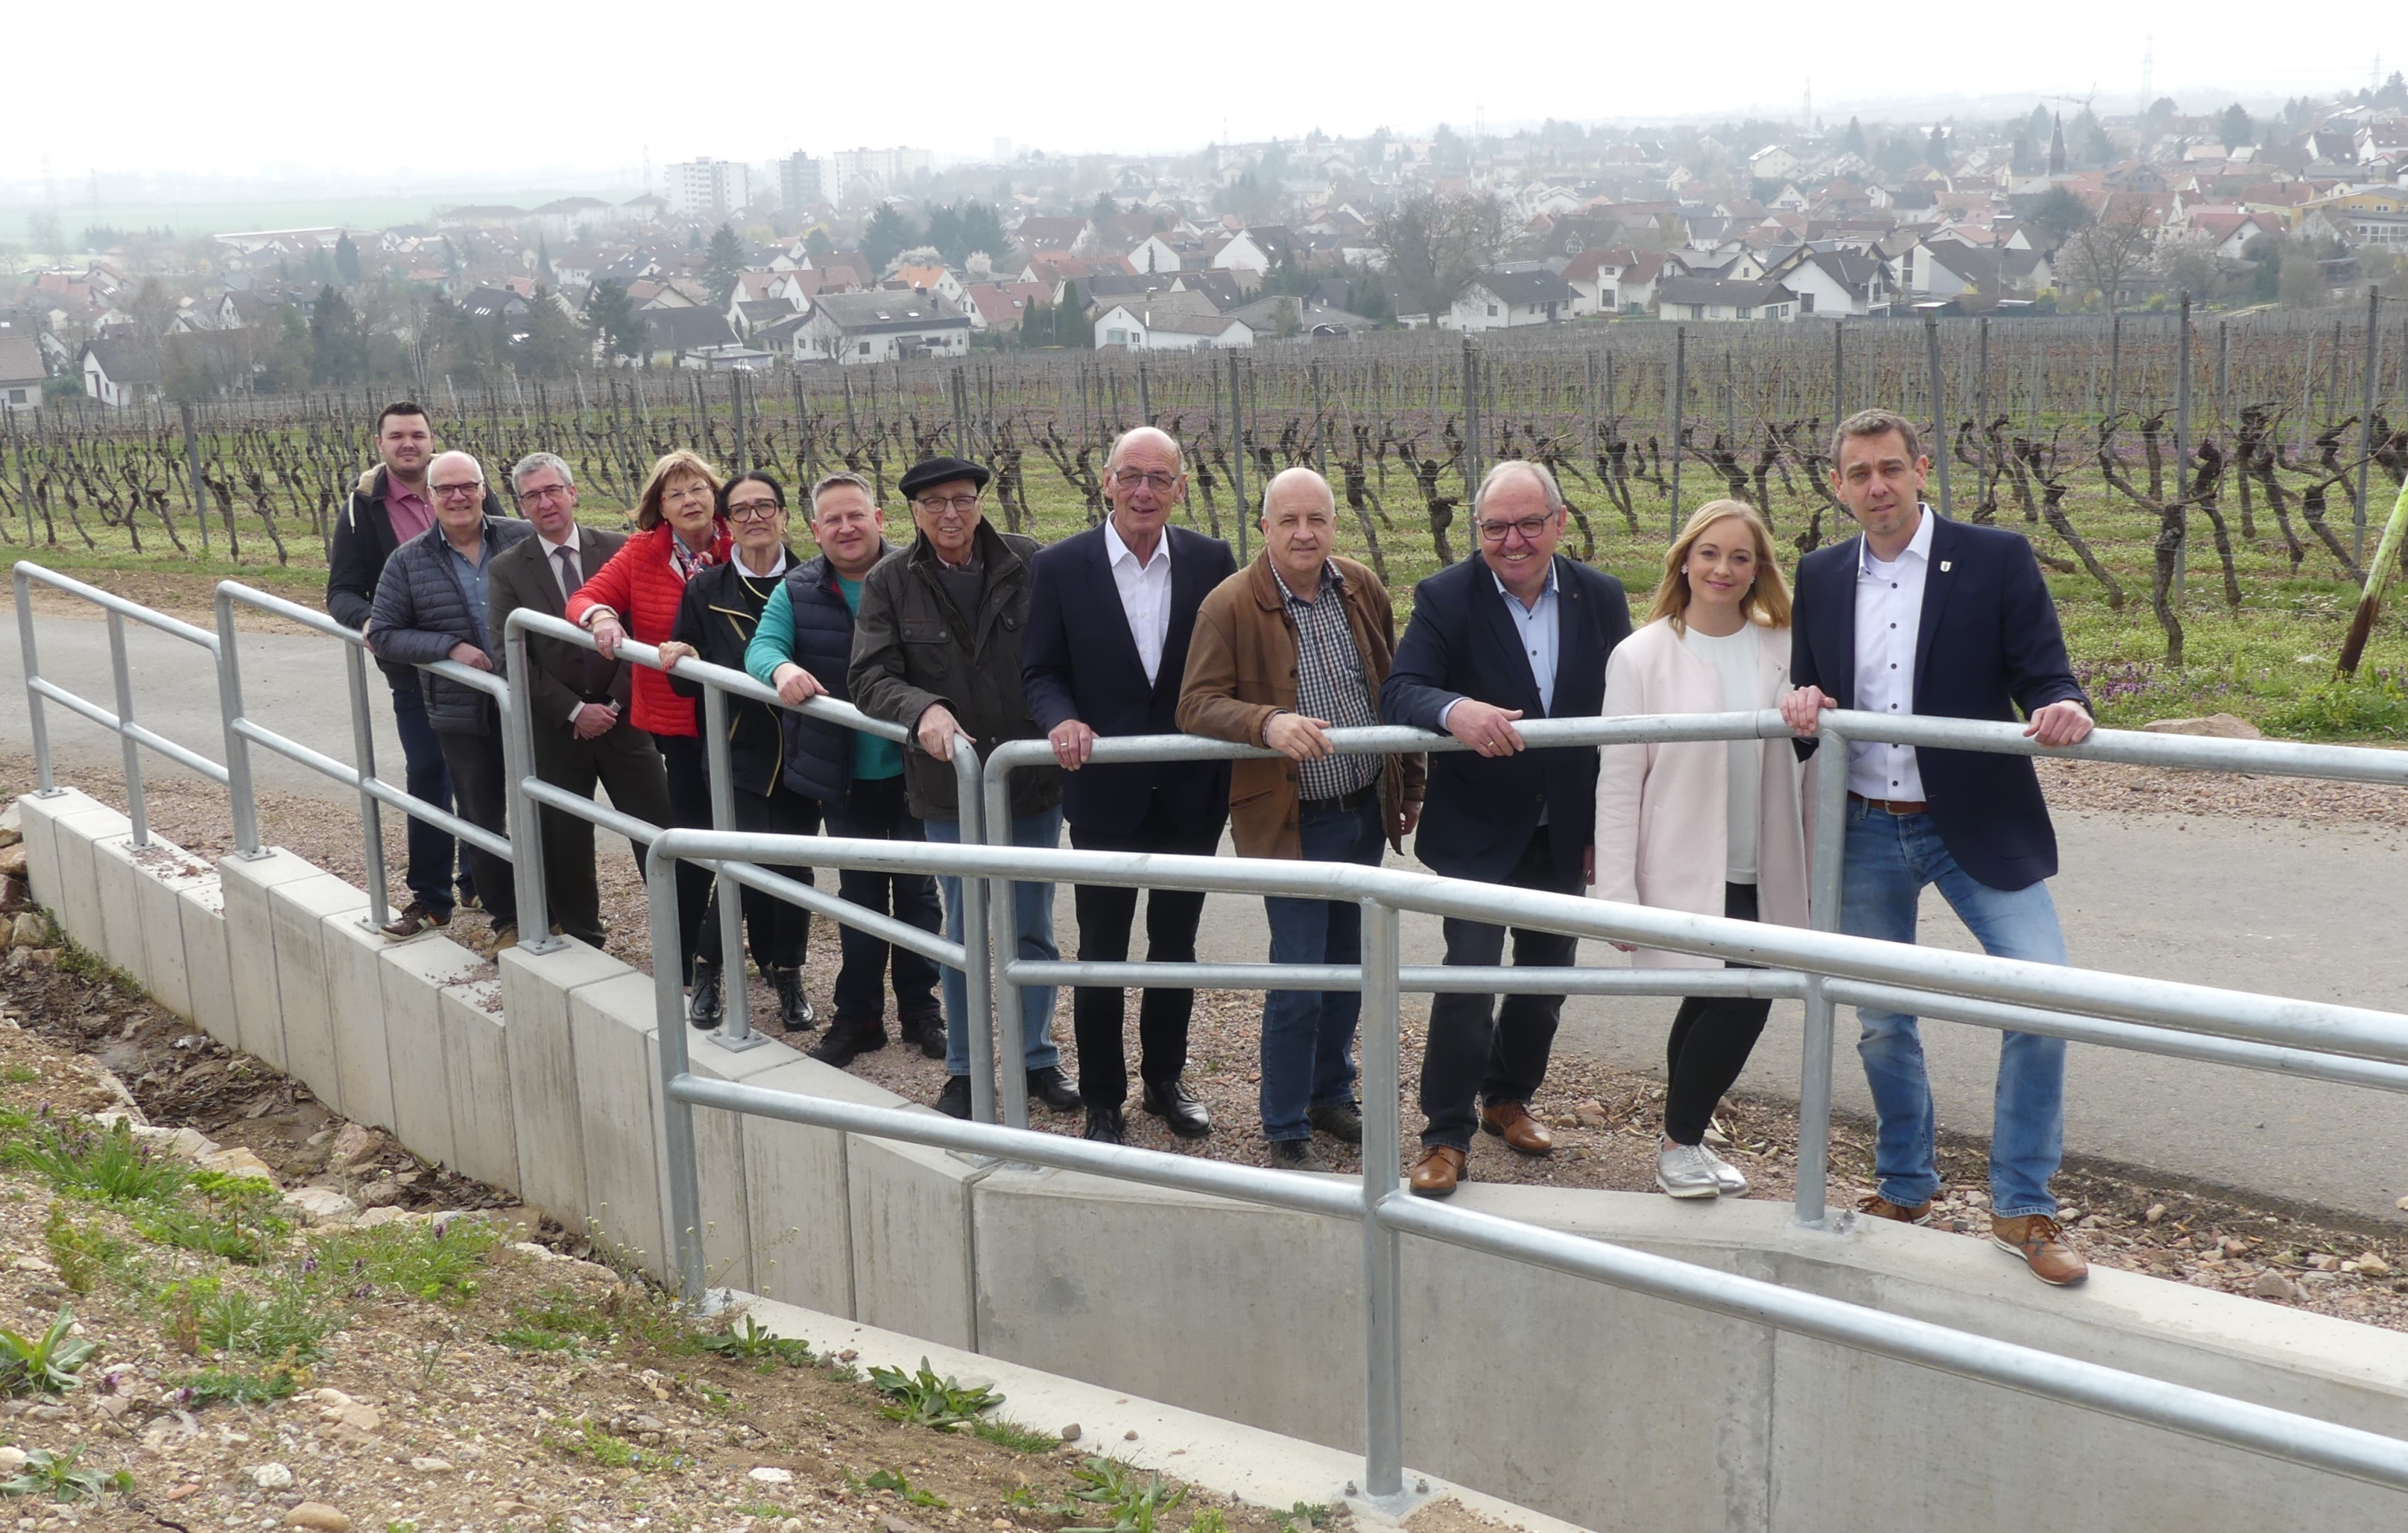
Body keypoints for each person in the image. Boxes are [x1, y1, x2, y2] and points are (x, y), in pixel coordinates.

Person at [1783, 408, 2095, 1286]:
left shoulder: (1993, 556)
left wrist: (2064, 704)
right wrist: (1801, 703)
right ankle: (1905, 1184)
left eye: (1889, 467)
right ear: (1836, 484)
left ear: (1921, 468)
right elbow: (1814, 689)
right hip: (1862, 826)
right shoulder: (1817, 573)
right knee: (1882, 1020)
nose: (1875, 487)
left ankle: (2023, 1204)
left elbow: (2044, 670)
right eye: (1857, 473)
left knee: (2041, 998)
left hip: (1971, 820)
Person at [1381, 459, 1632, 1198]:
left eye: (1528, 524)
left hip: (1563, 826)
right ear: (1478, 531)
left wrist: (1604, 827)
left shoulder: (1601, 596)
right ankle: (1443, 1134)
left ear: (1558, 522)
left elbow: (1618, 717)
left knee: (1546, 978)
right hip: (1478, 829)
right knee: (1468, 978)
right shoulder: (1444, 597)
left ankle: (1507, 1098)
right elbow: (1403, 689)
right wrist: (1453, 711)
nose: (1512, 540)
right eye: (1495, 527)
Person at [1179, 467, 1425, 1171]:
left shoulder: (1359, 587)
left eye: (1315, 519)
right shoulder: (1228, 605)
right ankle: (1283, 1119)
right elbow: (1194, 705)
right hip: (1293, 821)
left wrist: (1409, 780)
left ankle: (1329, 1094)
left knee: (1349, 966)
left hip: (1361, 811)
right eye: (1287, 520)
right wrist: (1267, 722)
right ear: (1263, 528)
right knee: (1299, 972)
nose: (1303, 533)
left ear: (1333, 525)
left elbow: (1391, 686)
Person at [849, 455, 1081, 1121]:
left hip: (1030, 782)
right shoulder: (891, 580)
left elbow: (1063, 653)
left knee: (1031, 927)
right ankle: (965, 1068)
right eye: (933, 504)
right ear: (914, 514)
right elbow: (868, 675)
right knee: (962, 930)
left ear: (981, 501)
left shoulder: (1030, 562)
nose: (949, 514)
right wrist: (922, 707)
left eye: (961, 499)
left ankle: (1036, 1058)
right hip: (947, 787)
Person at [1022, 426, 1237, 1145]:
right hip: (1103, 791)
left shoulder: (1212, 561)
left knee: (1176, 945)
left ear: (1179, 488)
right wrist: (1062, 719)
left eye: (1160, 478)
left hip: (1189, 792)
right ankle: (1103, 1098)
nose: (1144, 491)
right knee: (1101, 951)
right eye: (1131, 476)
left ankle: (1164, 1082)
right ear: (1106, 482)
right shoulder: (1060, 566)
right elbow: (1040, 671)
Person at [1594, 500, 1810, 1200]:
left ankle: (1680, 1134)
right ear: (1683, 559)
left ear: (1758, 570)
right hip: (1684, 861)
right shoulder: (1641, 654)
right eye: (1710, 553)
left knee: (1730, 993)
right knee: (1735, 996)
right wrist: (1616, 897)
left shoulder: (1785, 644)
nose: (1723, 568)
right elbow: (1620, 780)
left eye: (1741, 557)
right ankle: (1679, 1142)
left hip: (1763, 854)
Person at [748, 472, 943, 1068]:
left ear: (880, 518)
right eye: (831, 519)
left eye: (855, 515)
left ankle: (921, 1011)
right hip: (846, 774)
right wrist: (780, 671)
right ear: (814, 530)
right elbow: (761, 646)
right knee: (859, 897)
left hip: (917, 770)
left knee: (917, 892)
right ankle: (858, 1018)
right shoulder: (799, 588)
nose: (845, 528)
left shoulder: (920, 576)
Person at [483, 452, 671, 953]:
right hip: (557, 726)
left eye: (552, 490)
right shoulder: (507, 569)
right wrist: (573, 710)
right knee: (563, 835)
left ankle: (685, 933)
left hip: (628, 717)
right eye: (532, 496)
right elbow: (510, 654)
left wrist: (612, 701)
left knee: (656, 826)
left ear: (573, 493)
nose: (545, 503)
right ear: (521, 506)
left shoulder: (621, 549)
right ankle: (584, 937)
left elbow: (647, 631)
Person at [566, 451, 731, 1019]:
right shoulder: (641, 552)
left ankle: (734, 952)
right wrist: (604, 619)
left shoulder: (743, 542)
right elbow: (585, 598)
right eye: (675, 493)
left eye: (698, 489)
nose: (689, 500)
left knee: (748, 839)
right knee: (690, 839)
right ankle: (684, 958)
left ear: (716, 494)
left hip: (744, 722)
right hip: (679, 722)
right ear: (658, 506)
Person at [328, 402, 502, 938]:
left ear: (432, 441)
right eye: (397, 436)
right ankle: (431, 897)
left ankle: (479, 878)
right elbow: (341, 592)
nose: (409, 444)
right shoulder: (362, 509)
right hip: (417, 670)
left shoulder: (468, 487)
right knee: (430, 775)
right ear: (379, 443)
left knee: (485, 778)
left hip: (486, 670)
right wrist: (374, 624)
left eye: (418, 435)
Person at [656, 471, 820, 1034]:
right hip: (735, 752)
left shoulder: (812, 582)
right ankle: (708, 966)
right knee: (744, 865)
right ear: (725, 523)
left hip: (803, 748)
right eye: (741, 510)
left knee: (796, 868)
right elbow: (682, 684)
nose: (754, 518)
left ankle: (788, 971)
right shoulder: (706, 589)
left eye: (765, 506)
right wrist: (683, 654)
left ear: (784, 516)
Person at [363, 451, 531, 956]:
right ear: (430, 497)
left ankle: (559, 912)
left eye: (467, 486)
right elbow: (386, 634)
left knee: (547, 809)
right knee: (480, 815)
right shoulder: (407, 560)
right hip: (461, 708)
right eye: (446, 490)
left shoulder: (522, 539)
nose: (458, 497)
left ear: (484, 488)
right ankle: (509, 919)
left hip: (532, 702)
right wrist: (448, 649)